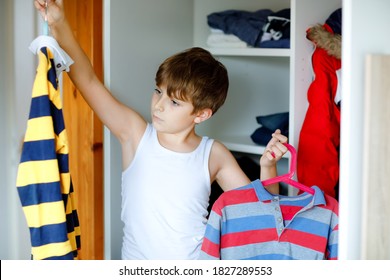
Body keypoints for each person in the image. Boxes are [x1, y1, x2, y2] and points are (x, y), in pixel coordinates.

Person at [34, 0, 288, 260]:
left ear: (201, 114)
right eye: (158, 92)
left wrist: (268, 167)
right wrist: (59, 23)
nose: (159, 106)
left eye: (174, 102)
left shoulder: (213, 154)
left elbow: (263, 216)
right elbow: (87, 79)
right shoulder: (135, 134)